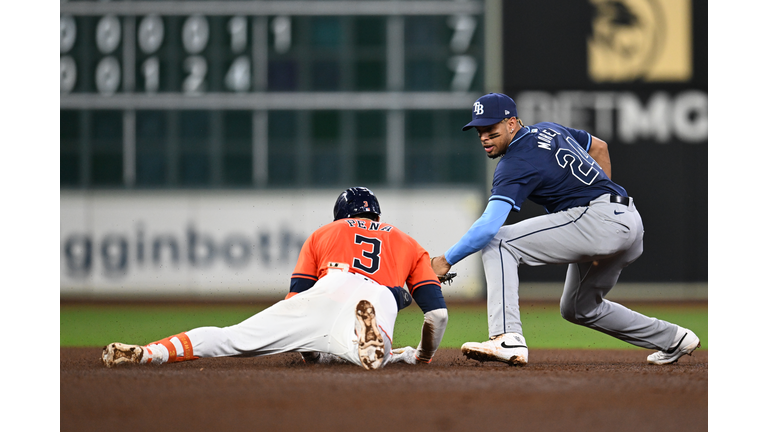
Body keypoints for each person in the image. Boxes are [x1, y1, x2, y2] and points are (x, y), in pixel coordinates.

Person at [430, 93, 700, 366]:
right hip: (627, 217)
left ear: (512, 123)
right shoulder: (550, 129)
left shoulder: (515, 163)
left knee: (498, 242)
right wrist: (600, 219)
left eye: (491, 129)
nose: (484, 137)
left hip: (600, 220)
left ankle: (507, 337)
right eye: (479, 131)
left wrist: (445, 260)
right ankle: (673, 338)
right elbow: (600, 148)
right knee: (578, 308)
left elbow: (488, 227)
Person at [102, 187, 449, 370]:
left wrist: (308, 347)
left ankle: (149, 353)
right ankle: (367, 338)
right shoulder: (407, 242)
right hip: (377, 298)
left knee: (231, 337)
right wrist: (423, 357)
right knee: (374, 356)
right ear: (377, 215)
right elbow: (437, 316)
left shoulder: (323, 233)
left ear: (340, 215)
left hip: (326, 288)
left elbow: (296, 298)